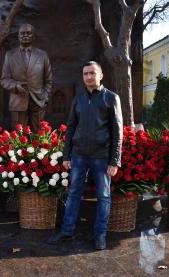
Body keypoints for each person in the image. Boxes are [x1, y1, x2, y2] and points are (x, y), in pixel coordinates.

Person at [47, 61, 123, 250]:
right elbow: (71, 127)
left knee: (103, 196)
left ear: (100, 75)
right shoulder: (78, 99)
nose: (88, 77)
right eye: (85, 74)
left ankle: (100, 235)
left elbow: (117, 131)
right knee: (73, 194)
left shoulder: (111, 98)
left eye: (92, 73)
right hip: (79, 155)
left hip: (102, 156)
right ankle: (67, 230)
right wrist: (66, 155)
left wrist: (115, 160)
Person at [0, 23, 53, 132]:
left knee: (39, 136)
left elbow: (49, 79)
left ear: (33, 36)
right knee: (18, 138)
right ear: (18, 36)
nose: (25, 35)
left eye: (28, 33)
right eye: (22, 33)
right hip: (18, 101)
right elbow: (4, 79)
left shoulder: (42, 55)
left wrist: (45, 96)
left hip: (38, 101)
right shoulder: (9, 55)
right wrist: (15, 85)